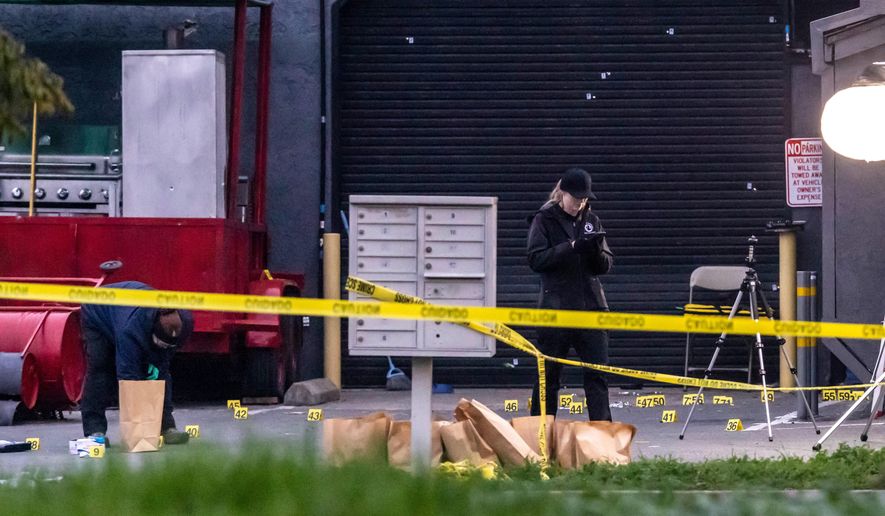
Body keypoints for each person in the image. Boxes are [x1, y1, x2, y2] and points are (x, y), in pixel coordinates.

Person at [527, 167, 614, 421]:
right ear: (562, 194)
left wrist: (595, 250)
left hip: (592, 309)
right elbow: (535, 258)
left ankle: (602, 436)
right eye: (576, 199)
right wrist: (572, 247)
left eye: (584, 199)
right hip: (556, 311)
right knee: (549, 376)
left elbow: (606, 264)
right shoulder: (543, 220)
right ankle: (539, 435)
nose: (580, 203)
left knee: (597, 375)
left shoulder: (592, 220)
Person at [79, 281, 194, 445]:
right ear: (152, 331)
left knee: (160, 371)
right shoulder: (130, 330)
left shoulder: (185, 323)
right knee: (101, 368)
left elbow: (161, 369)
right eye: (160, 343)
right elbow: (128, 378)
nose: (163, 348)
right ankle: (94, 430)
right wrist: (138, 428)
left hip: (126, 314)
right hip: (98, 311)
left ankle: (167, 426)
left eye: (168, 346)